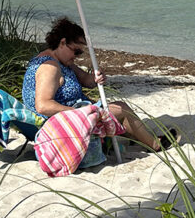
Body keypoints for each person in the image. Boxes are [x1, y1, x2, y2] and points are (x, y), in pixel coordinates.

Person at [22, 17, 177, 152]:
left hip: (70, 116)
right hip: (57, 125)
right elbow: (42, 106)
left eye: (80, 53)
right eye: (76, 51)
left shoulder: (62, 62)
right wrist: (79, 112)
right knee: (121, 108)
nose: (77, 57)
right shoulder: (50, 67)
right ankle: (154, 144)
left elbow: (86, 81)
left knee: (114, 110)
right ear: (63, 42)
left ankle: (138, 137)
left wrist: (96, 77)